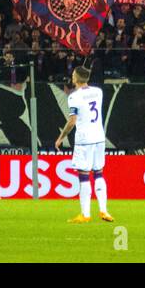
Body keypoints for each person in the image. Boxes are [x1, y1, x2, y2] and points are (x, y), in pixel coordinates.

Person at [55, 67, 112, 224]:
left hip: (84, 140)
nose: (72, 76)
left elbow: (72, 121)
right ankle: (104, 211)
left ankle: (85, 214)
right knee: (99, 173)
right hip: (99, 137)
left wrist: (60, 138)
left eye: (73, 74)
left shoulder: (74, 97)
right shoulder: (98, 92)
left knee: (84, 176)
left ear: (77, 78)